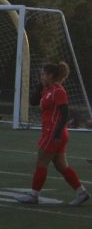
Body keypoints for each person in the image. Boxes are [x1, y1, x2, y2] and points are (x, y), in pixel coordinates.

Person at [16, 62, 89, 205]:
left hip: (54, 132)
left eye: (43, 73)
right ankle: (81, 193)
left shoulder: (58, 91)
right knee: (61, 166)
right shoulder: (47, 89)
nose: (41, 75)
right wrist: (39, 86)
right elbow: (33, 101)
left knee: (41, 161)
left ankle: (33, 195)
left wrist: (55, 135)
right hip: (52, 132)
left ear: (50, 75)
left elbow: (64, 113)